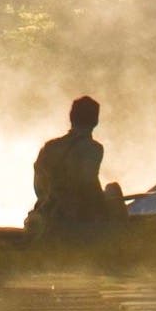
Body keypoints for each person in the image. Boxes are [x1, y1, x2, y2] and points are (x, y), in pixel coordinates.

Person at [28, 95, 127, 237]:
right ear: (96, 121)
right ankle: (124, 239)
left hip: (46, 214)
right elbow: (88, 185)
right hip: (75, 220)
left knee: (111, 192)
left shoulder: (50, 147)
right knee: (113, 189)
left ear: (71, 117)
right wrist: (107, 205)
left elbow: (39, 186)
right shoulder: (93, 148)